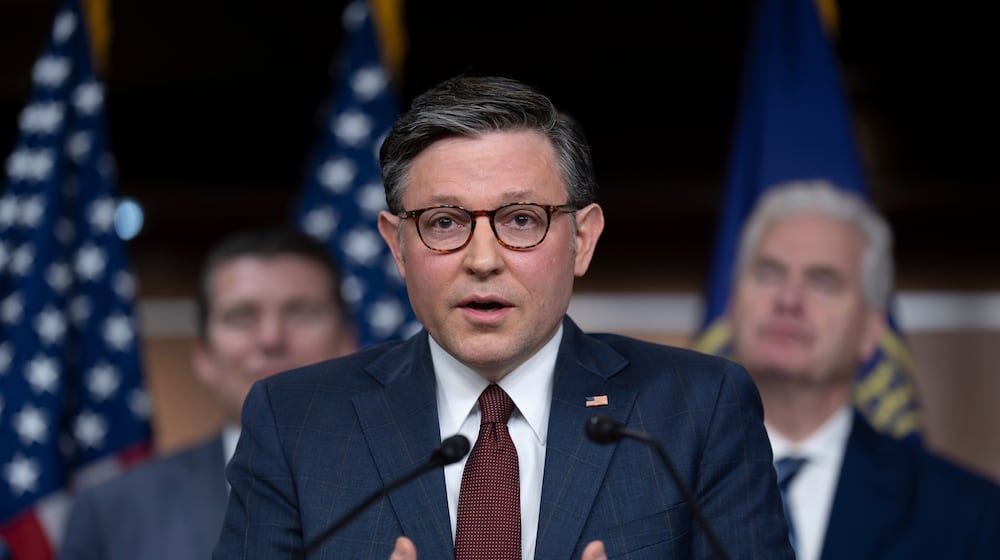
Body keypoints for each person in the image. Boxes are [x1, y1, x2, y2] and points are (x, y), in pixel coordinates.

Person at [213, 75, 794, 560]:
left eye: (521, 219)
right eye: (444, 223)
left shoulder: (698, 410)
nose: (483, 260)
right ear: (397, 246)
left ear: (583, 240)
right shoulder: (295, 422)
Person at [726, 180, 1000, 560]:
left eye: (823, 281)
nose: (788, 299)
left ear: (871, 330)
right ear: (733, 304)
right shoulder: (660, 479)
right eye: (770, 273)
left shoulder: (969, 514)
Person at [59, 226, 357, 560]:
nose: (271, 338)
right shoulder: (111, 511)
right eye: (242, 316)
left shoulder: (403, 481)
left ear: (348, 342)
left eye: (300, 312)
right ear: (203, 353)